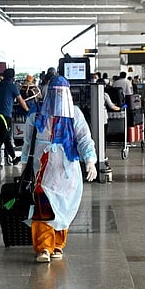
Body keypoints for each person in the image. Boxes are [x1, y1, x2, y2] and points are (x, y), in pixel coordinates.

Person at [21, 74, 97, 263]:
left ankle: (57, 245)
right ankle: (43, 247)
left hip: (66, 172)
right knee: (43, 208)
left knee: (63, 208)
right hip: (43, 171)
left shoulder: (75, 114)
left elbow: (83, 138)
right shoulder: (36, 114)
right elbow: (28, 141)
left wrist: (90, 160)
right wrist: (24, 163)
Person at [0, 68, 29, 168]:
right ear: (13, 76)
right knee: (1, 136)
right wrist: (28, 110)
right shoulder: (12, 86)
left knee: (6, 137)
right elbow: (20, 100)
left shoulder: (0, 84)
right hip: (4, 114)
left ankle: (14, 157)